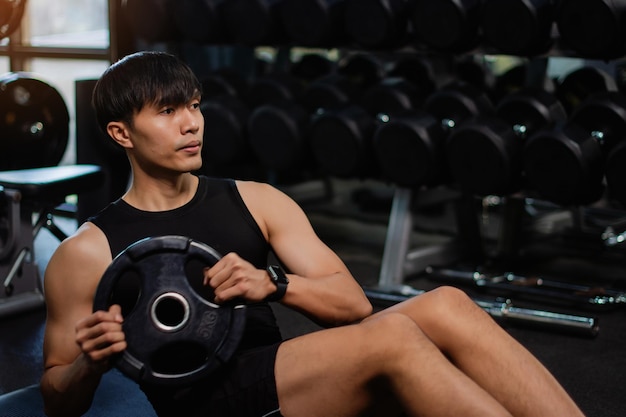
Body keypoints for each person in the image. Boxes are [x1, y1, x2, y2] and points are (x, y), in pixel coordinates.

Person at [40, 50, 584, 417]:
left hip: (280, 379)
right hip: (207, 404)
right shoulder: (86, 250)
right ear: (121, 133)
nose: (192, 123)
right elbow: (56, 399)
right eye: (167, 111)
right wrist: (92, 360)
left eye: (194, 105)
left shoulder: (255, 199)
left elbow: (352, 305)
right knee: (395, 338)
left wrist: (273, 284)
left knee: (446, 303)